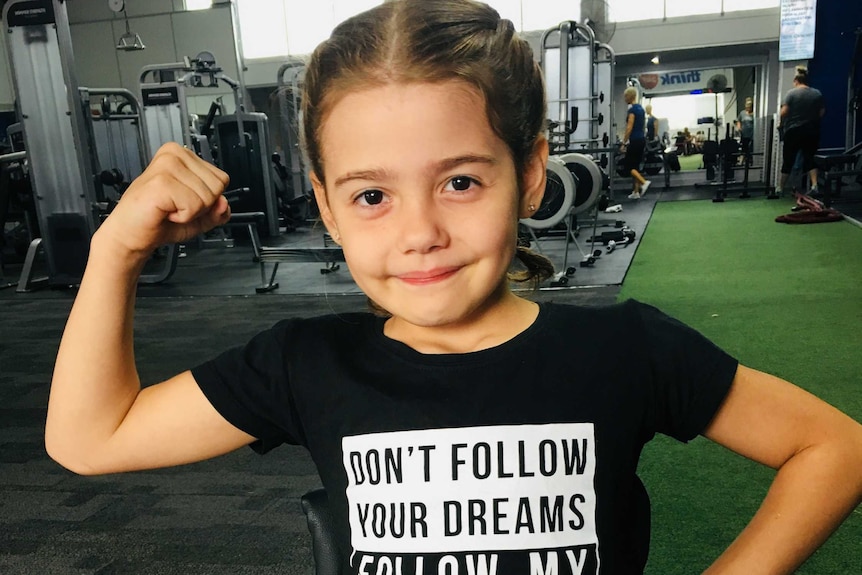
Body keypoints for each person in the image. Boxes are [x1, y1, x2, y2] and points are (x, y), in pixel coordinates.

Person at [45, 2, 862, 574]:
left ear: (532, 173)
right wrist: (115, 247)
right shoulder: (302, 364)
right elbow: (90, 439)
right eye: (372, 195)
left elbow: (836, 446)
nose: (419, 230)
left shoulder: (623, 348)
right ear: (327, 207)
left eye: (462, 182)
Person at [777, 66, 825, 196]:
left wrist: (781, 123)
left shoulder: (791, 93)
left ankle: (780, 188)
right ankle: (815, 185)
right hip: (811, 131)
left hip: (793, 131)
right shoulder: (817, 93)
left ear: (796, 80)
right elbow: (821, 112)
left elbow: (784, 112)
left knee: (788, 160)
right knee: (810, 158)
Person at [621, 87, 651, 199]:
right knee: (635, 167)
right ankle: (636, 192)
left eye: (625, 96)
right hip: (641, 139)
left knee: (629, 167)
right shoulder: (641, 109)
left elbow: (629, 127)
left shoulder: (632, 110)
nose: (624, 99)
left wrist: (624, 143)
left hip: (635, 140)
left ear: (630, 96)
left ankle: (644, 182)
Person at [736, 97, 755, 166]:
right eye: (747, 107)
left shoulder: (754, 114)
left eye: (749, 107)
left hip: (752, 134)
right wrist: (739, 128)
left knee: (751, 148)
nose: (748, 108)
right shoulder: (742, 113)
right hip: (744, 134)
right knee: (744, 148)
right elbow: (739, 121)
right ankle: (742, 161)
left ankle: (751, 160)